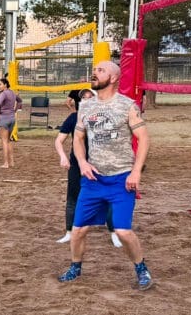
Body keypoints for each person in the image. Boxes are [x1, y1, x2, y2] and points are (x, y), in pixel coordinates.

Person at [58, 60, 151, 288]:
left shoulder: (127, 105)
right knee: (78, 229)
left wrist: (136, 172)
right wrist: (82, 162)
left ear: (114, 78)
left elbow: (145, 138)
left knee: (122, 231)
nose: (95, 73)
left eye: (101, 71)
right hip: (92, 180)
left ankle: (141, 269)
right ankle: (75, 267)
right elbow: (78, 138)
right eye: (94, 70)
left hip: (121, 178)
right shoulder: (85, 106)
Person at [54, 88, 119, 245]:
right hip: (77, 165)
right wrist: (63, 157)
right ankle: (69, 231)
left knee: (108, 199)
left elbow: (115, 137)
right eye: (84, 98)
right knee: (72, 198)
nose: (86, 100)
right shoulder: (73, 118)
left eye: (90, 98)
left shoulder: (103, 118)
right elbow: (58, 140)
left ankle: (114, 233)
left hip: (100, 165)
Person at [0, 77, 19, 168]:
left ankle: (6, 163)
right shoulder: (12, 92)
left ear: (5, 85)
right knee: (9, 140)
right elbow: (19, 101)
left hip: (4, 118)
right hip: (12, 118)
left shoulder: (4, 93)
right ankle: (11, 162)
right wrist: (15, 109)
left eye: (0, 84)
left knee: (4, 141)